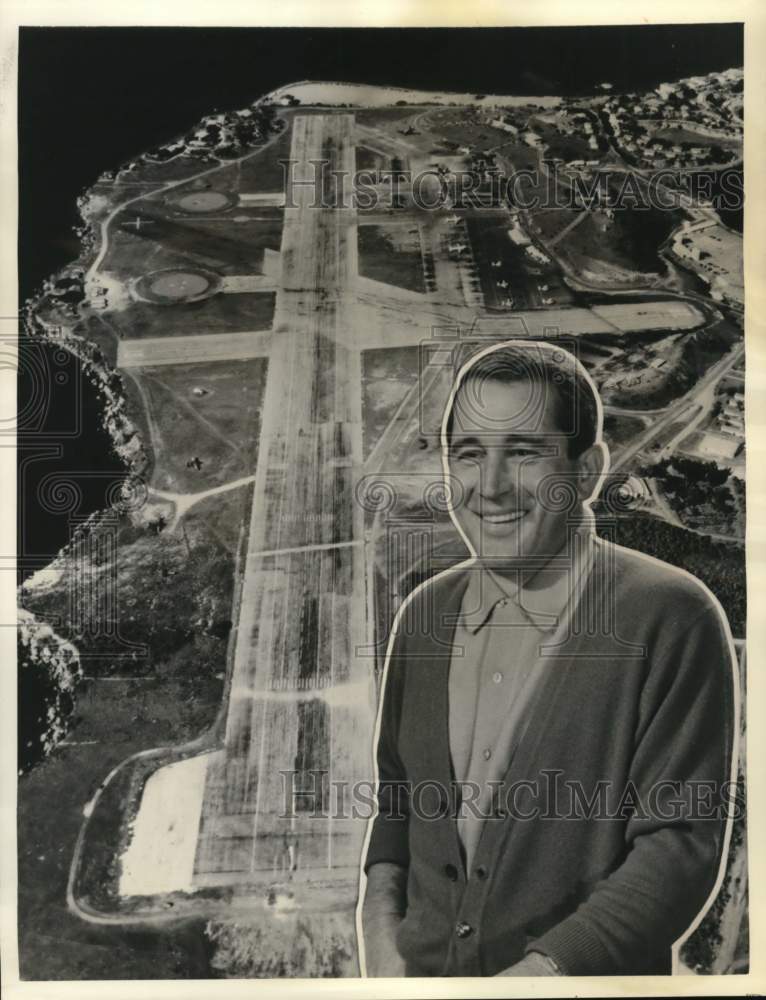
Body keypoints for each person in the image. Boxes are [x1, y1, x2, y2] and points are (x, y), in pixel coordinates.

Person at [361, 340, 737, 977]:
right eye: (471, 455)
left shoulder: (672, 615)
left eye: (525, 453)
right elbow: (398, 798)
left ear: (586, 472)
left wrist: (540, 978)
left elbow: (678, 850)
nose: (492, 486)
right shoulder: (422, 614)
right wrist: (380, 934)